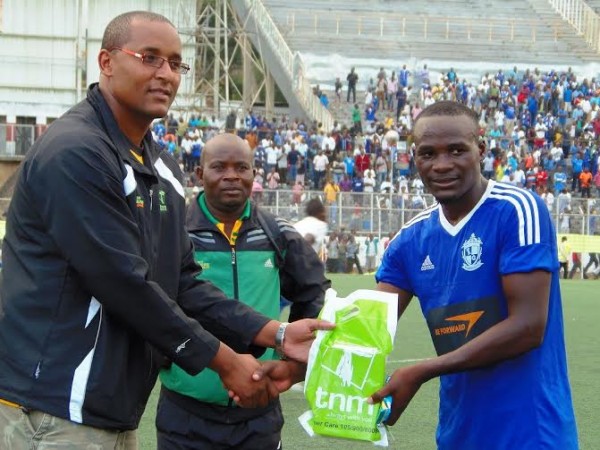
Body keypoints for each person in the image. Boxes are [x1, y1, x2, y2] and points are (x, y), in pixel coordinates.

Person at [0, 11, 331, 448]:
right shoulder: (75, 151)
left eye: (176, 63)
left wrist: (276, 333)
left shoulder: (161, 166)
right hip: (52, 406)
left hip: (109, 409)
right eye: (150, 58)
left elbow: (181, 282)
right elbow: (123, 284)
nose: (166, 74)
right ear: (106, 62)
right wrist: (227, 362)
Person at [371, 101, 578, 449]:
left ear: (480, 149)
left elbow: (527, 327)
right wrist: (288, 363)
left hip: (531, 434)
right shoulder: (410, 240)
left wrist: (421, 371)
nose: (442, 165)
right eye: (428, 153)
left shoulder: (517, 210)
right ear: (414, 158)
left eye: (456, 150)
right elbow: (367, 325)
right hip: (458, 435)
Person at [156, 133, 330, 450]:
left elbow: (315, 293)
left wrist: (291, 358)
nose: (231, 176)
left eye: (242, 167)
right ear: (200, 174)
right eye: (219, 167)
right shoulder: (175, 232)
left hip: (258, 414)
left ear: (253, 173)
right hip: (185, 412)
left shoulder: (277, 234)